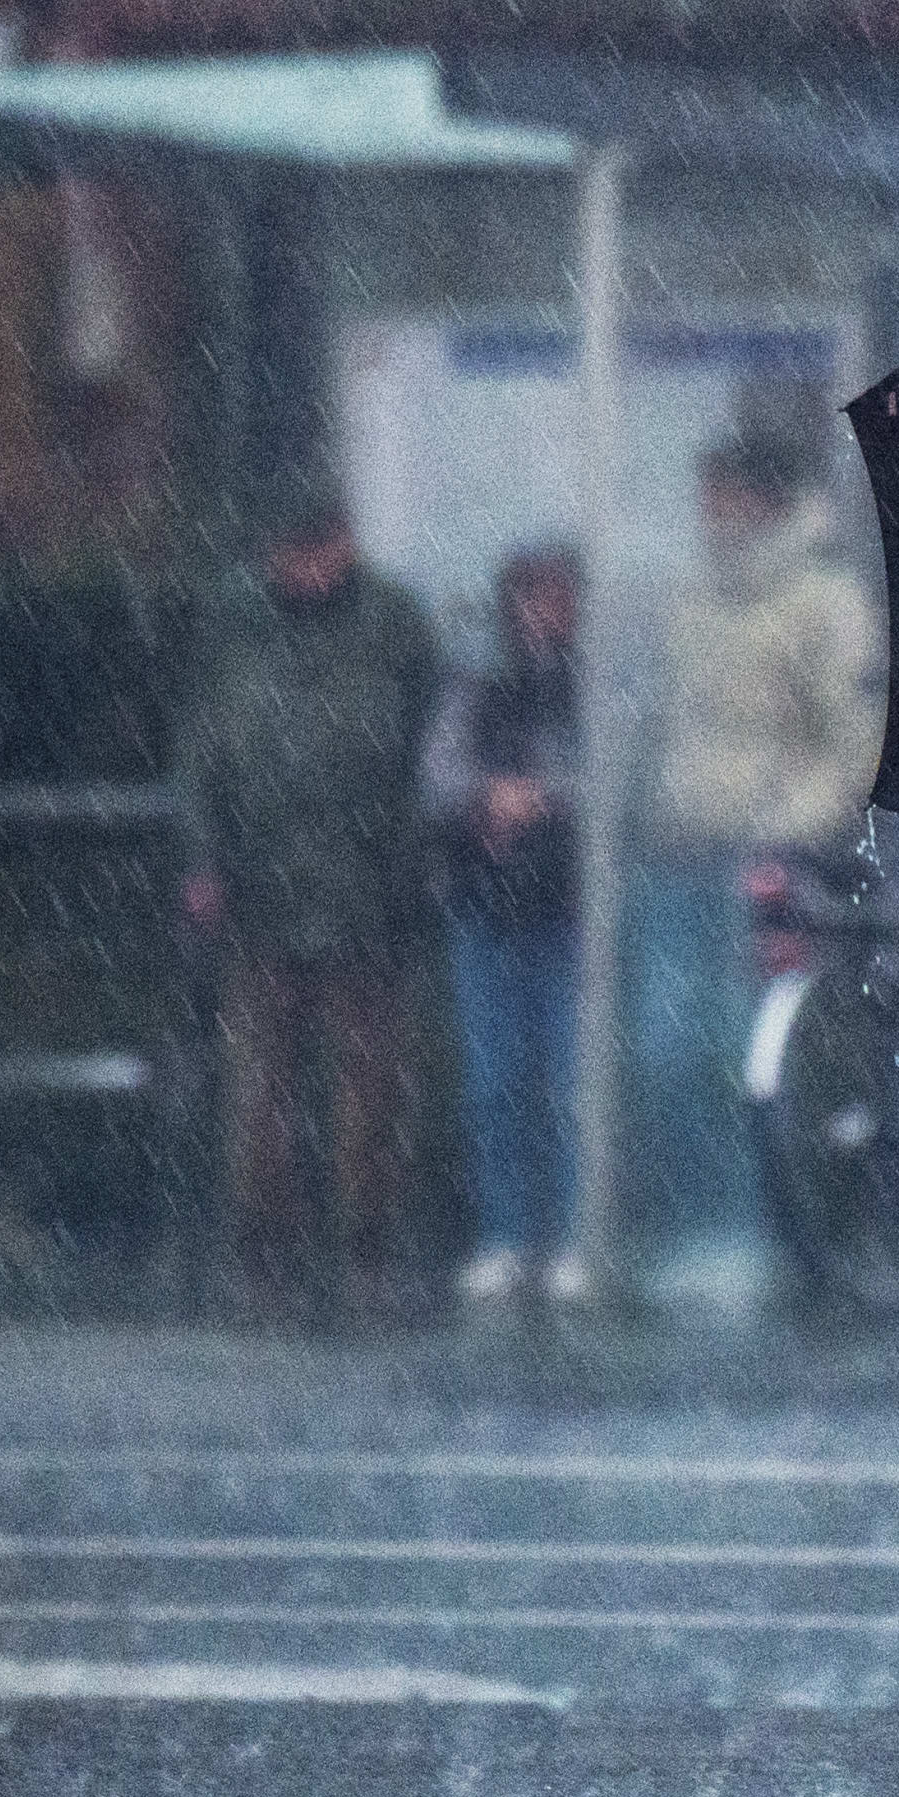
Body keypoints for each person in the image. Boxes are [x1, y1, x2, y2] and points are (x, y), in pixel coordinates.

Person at [178, 481, 443, 1328]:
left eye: (308, 551)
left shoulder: (396, 626)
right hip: (264, 888)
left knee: (369, 1086)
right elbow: (206, 752)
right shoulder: (239, 625)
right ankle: (267, 1248)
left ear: (339, 546)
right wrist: (206, 858)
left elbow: (422, 753)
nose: (294, 569)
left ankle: (368, 1244)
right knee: (261, 1083)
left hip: (368, 891)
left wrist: (407, 858)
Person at [635, 420, 882, 1272]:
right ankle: (687, 1230)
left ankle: (749, 1238)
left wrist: (786, 826)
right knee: (667, 1053)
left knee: (748, 1052)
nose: (708, 513)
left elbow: (852, 743)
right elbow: (661, 721)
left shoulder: (826, 599)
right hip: (678, 857)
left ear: (764, 501)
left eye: (723, 496)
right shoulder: (689, 596)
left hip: (767, 861)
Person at [422, 543, 586, 1307]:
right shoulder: (476, 680)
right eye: (529, 596)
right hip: (486, 902)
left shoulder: (590, 681)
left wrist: (544, 797)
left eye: (555, 595)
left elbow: (613, 776)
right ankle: (506, 1234)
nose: (541, 612)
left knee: (567, 1076)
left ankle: (575, 1235)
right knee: (496, 1080)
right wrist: (487, 798)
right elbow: (437, 779)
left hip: (566, 906)